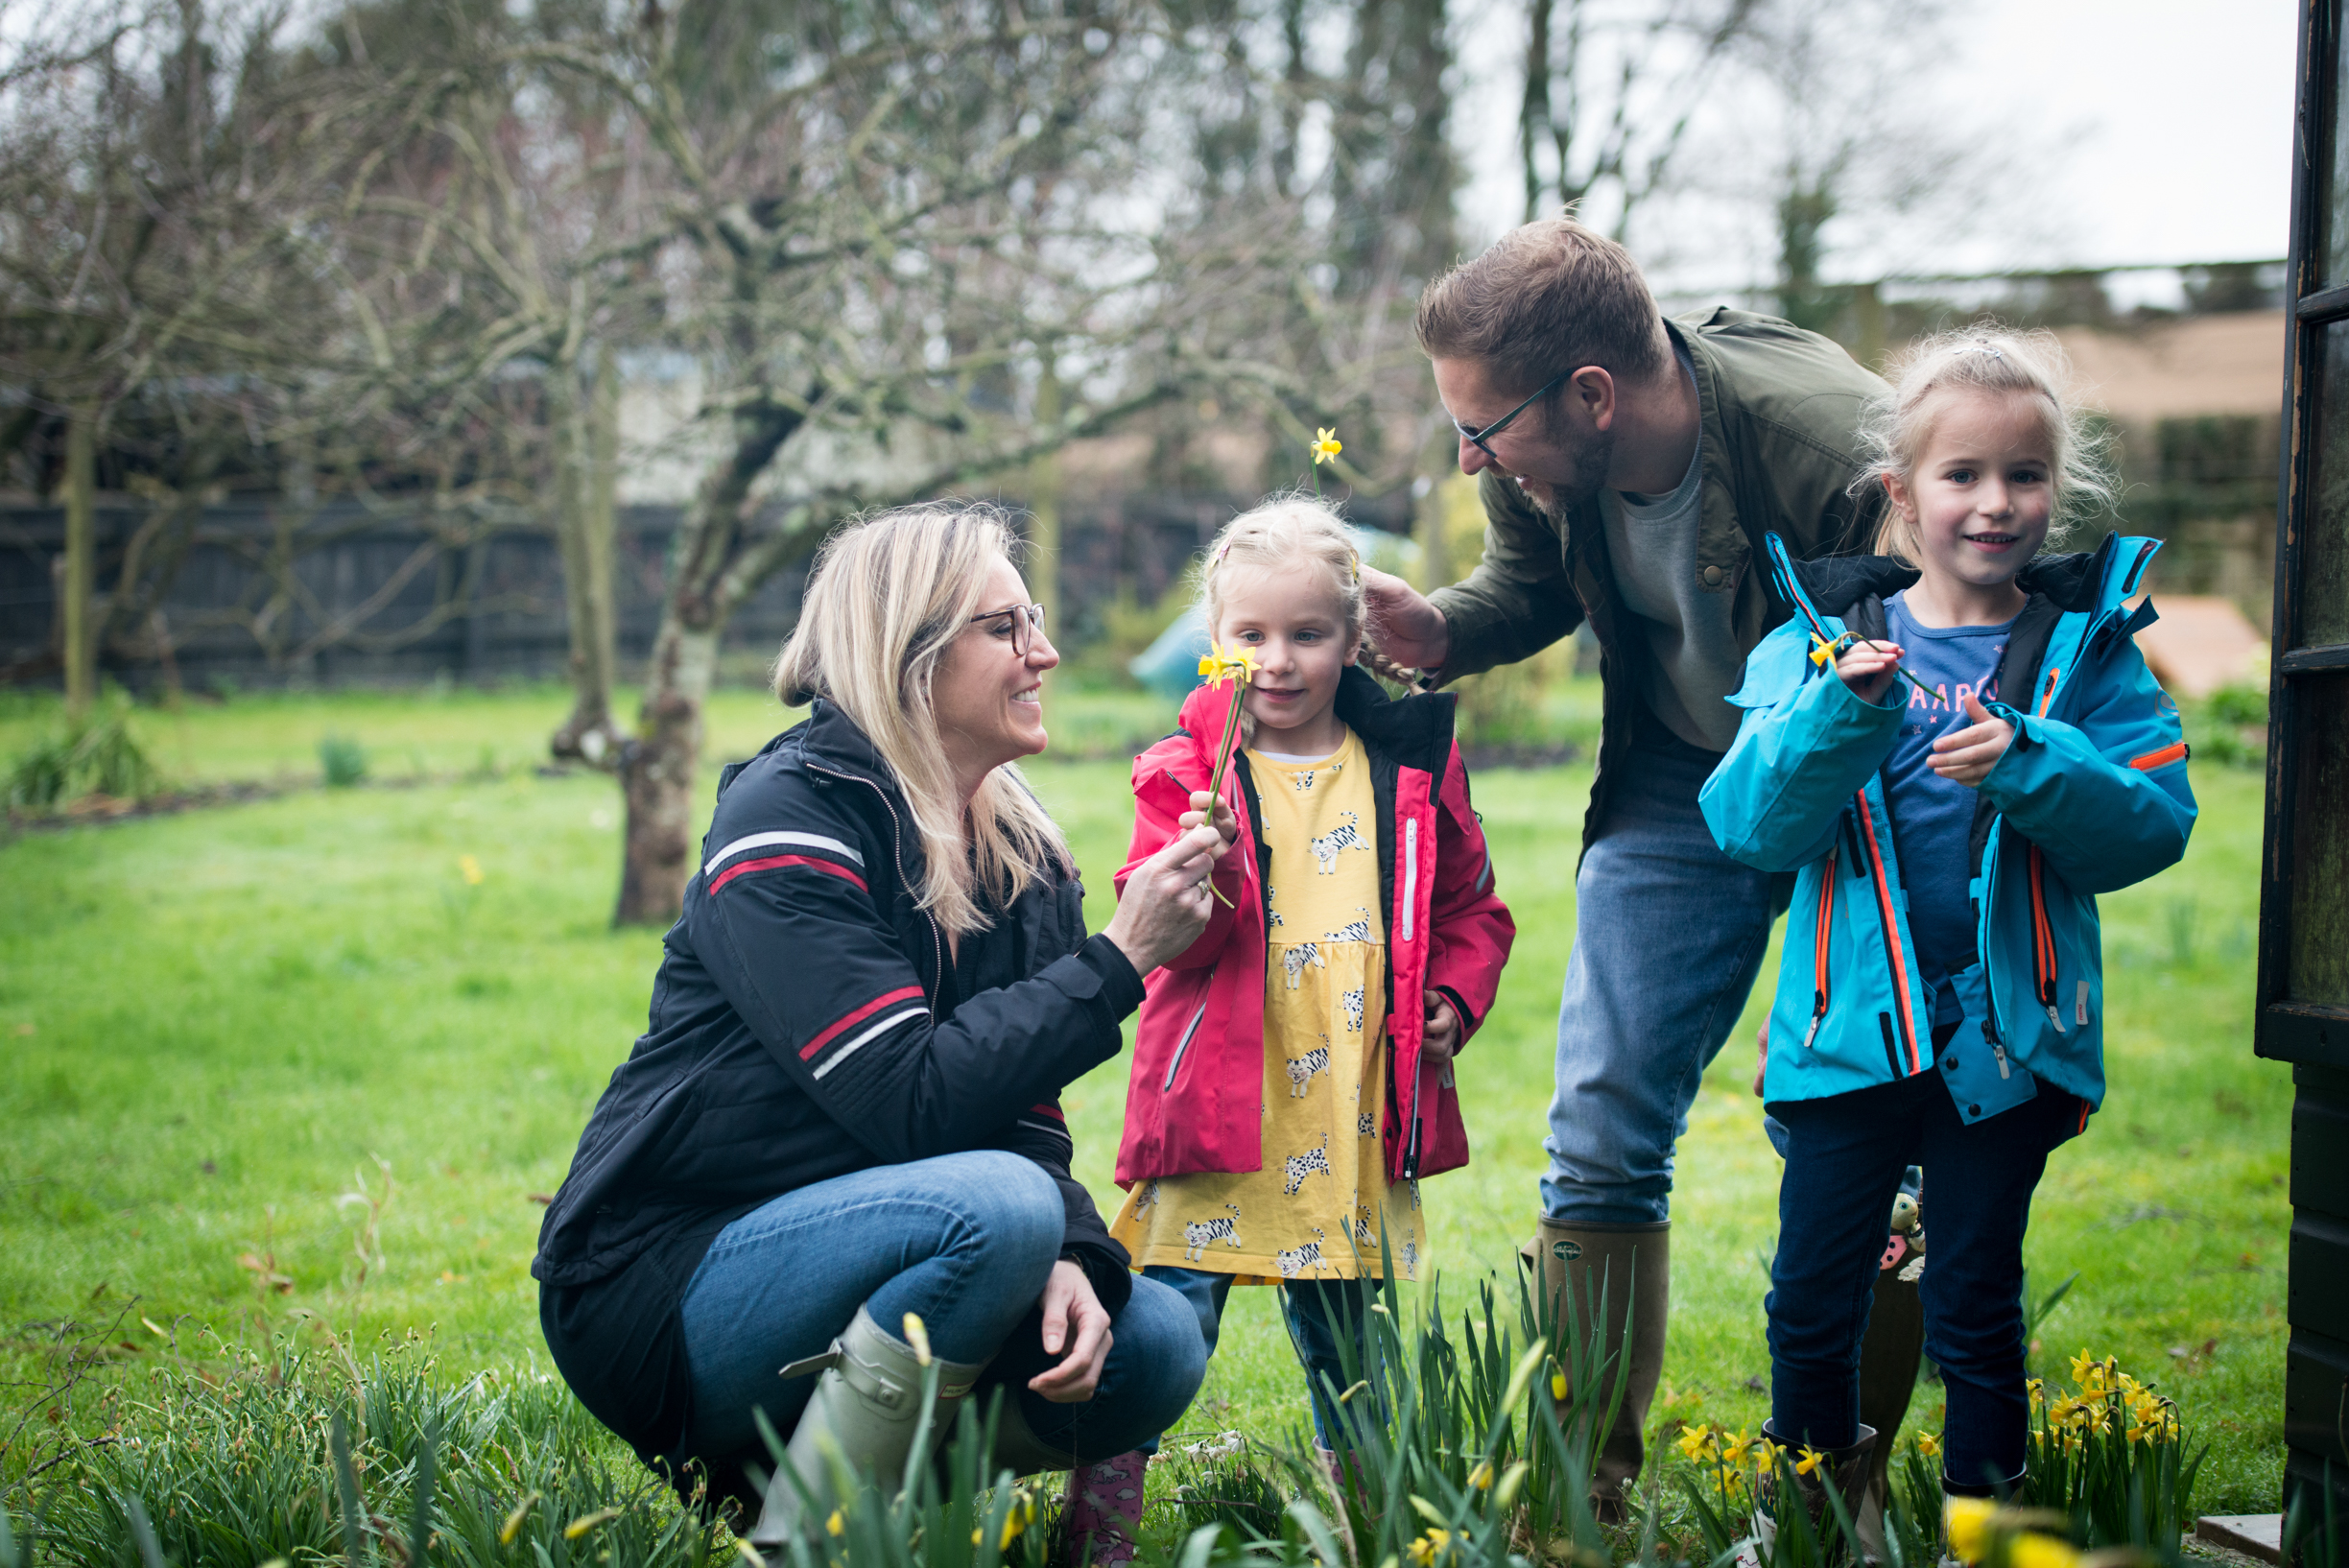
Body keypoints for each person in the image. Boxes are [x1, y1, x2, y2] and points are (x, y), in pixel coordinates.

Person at [531, 505, 1228, 1548]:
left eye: (1032, 620)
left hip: (890, 1243)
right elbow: (910, 1100)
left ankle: (878, 1489)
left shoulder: (1022, 851)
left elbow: (1022, 1115)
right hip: (675, 1281)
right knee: (995, 1209)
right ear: (908, 657)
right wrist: (1119, 959)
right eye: (1005, 627)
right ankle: (814, 1538)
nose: (1045, 651)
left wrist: (1075, 1250)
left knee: (1153, 1345)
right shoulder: (789, 818)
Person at [1359, 214, 1888, 1501]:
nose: (1472, 452)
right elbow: (1532, 585)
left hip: (1870, 790)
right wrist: (1442, 629)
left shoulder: (1835, 446)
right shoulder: (1538, 450)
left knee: (1878, 1140)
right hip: (1677, 774)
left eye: (1486, 428)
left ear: (1594, 395)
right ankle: (1578, 1498)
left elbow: (1997, 593)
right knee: (1599, 1124)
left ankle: (1839, 1487)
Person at [1696, 326, 2195, 1532]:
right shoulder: (1811, 643)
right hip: (1846, 1033)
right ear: (1900, 493)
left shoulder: (2094, 658)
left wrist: (2033, 756)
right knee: (1813, 1293)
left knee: (1976, 1292)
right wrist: (1836, 715)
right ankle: (1812, 1529)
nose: (1995, 501)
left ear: (2055, 492)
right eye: (1961, 474)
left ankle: (1992, 1531)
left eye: (2024, 475)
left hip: (2005, 1041)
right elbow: (1751, 826)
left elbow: (2151, 826)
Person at [1082, 499, 1513, 1497]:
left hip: (1348, 1109)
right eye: (1251, 636)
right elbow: (1166, 937)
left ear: (1354, 637)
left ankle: (1373, 1514)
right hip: (1218, 1103)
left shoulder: (1407, 762)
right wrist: (1204, 865)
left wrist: (1453, 995)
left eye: (1307, 634)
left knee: (1355, 1348)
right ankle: (1096, 1516)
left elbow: (1470, 907)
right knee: (1159, 1324)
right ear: (1215, 643)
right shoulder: (1186, 777)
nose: (1277, 660)